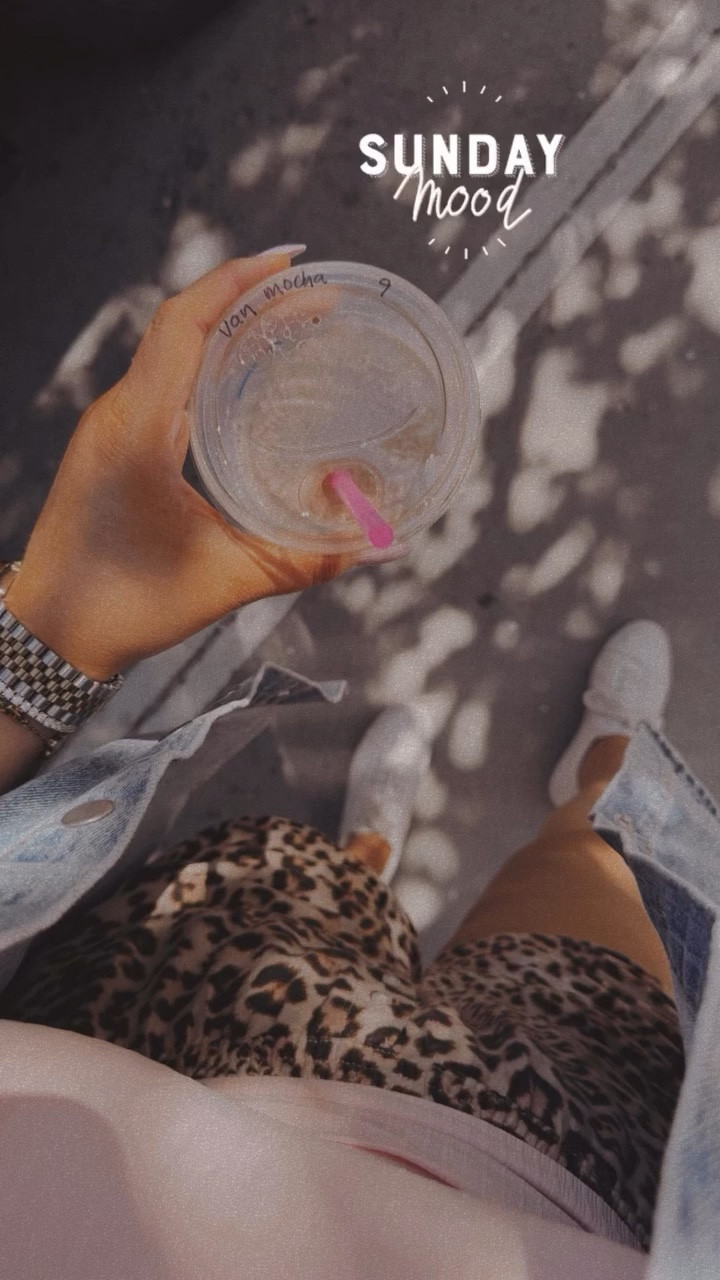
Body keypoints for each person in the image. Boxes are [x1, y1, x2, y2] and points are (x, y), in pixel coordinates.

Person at [0, 251, 714, 1280]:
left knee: (309, 891)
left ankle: (368, 859)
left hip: (205, 1024)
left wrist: (52, 630)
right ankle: (599, 771)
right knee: (595, 865)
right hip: (569, 1136)